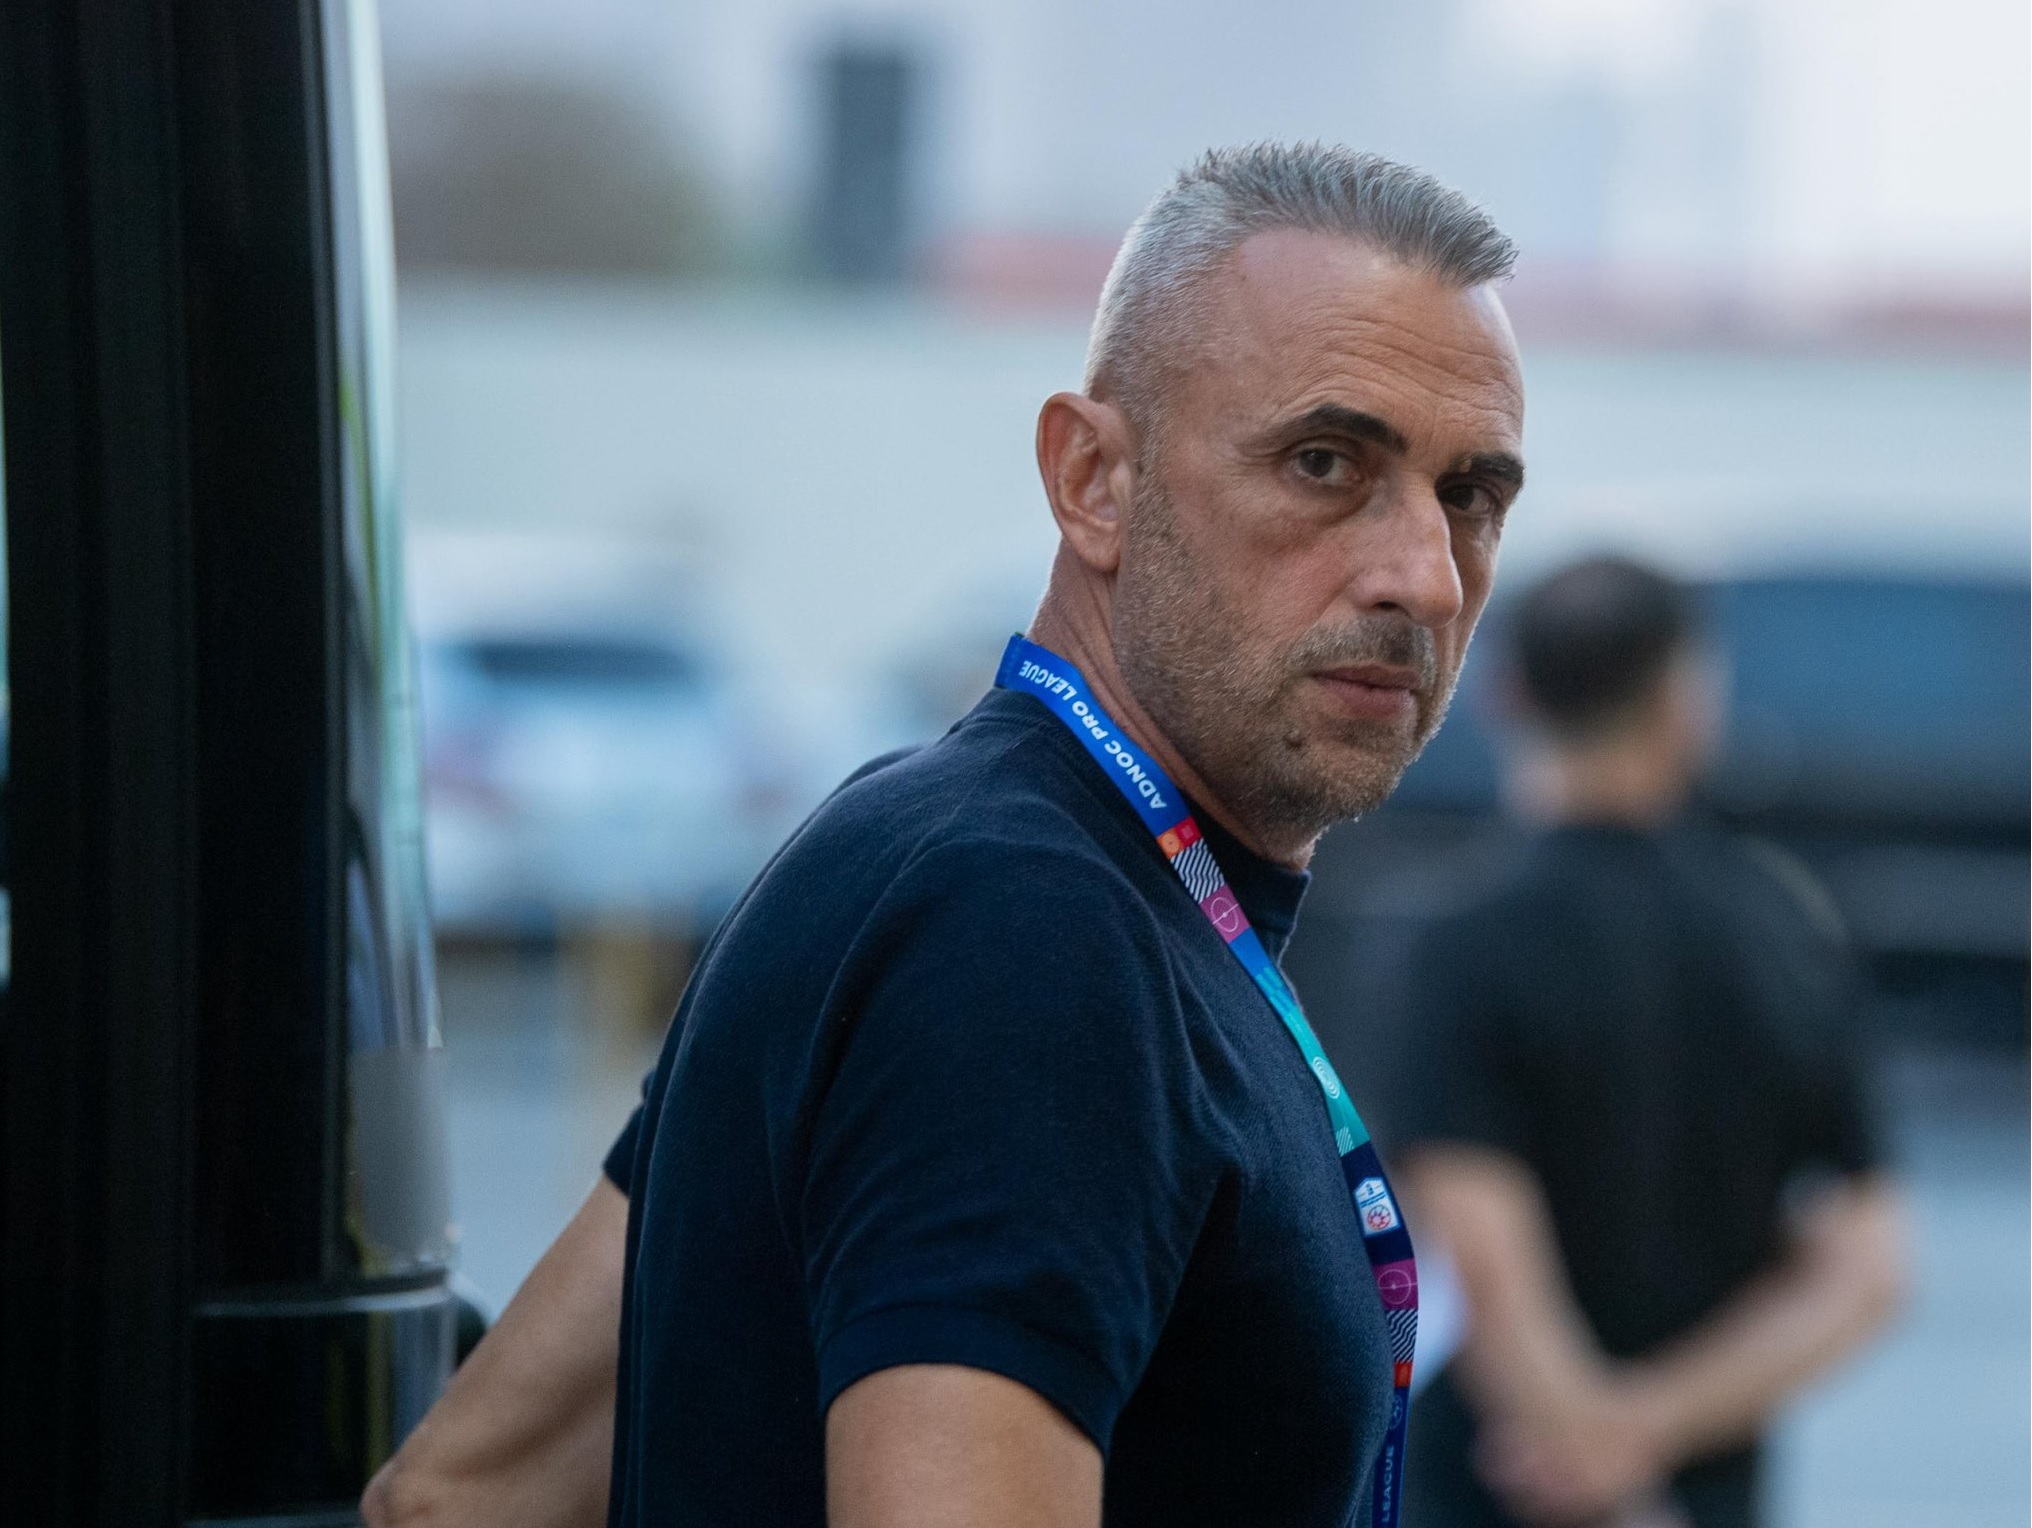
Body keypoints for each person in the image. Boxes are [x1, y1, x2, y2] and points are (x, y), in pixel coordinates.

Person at [364, 141, 1528, 1528]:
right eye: (1325, 463)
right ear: (1091, 478)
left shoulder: (928, 853)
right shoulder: (1025, 933)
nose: (1424, 575)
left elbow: (458, 1495)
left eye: (1471, 496)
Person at [1386, 557, 1906, 1528]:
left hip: (1498, 1487)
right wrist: (1651, 1428)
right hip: (1705, 1493)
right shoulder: (1784, 930)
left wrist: (1595, 1456)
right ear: (1687, 703)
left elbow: (1487, 1264)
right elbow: (1864, 1271)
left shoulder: (1462, 942)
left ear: (1505, 694)